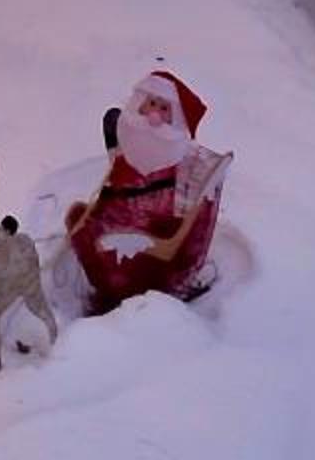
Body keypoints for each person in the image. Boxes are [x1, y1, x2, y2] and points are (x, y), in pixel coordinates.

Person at [64, 67, 230, 313]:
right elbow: (114, 188)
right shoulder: (131, 148)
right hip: (119, 221)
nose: (155, 114)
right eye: (152, 103)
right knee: (77, 219)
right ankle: (106, 290)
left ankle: (131, 299)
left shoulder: (182, 166)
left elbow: (187, 227)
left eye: (165, 109)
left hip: (153, 242)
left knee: (121, 250)